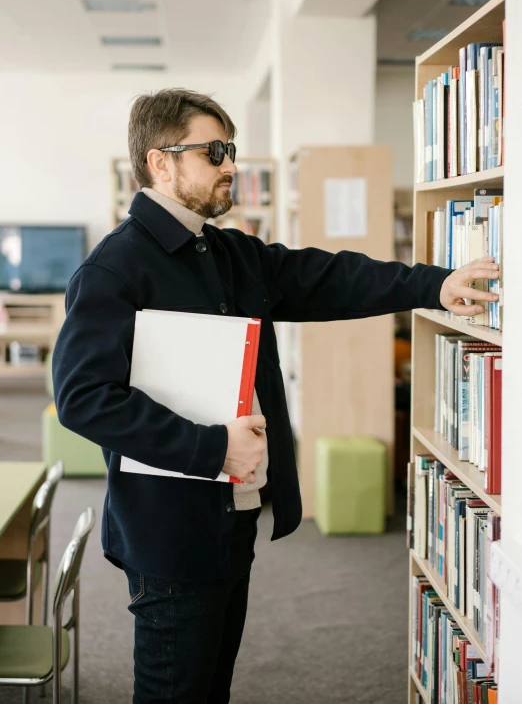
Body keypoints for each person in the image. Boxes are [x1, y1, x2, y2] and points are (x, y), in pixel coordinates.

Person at [52, 88, 500, 704]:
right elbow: (83, 398)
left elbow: (328, 278)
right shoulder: (114, 269)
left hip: (233, 522)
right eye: (216, 152)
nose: (231, 165)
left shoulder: (229, 251)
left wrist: (435, 284)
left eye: (230, 150)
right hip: (171, 535)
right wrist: (212, 450)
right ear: (162, 162)